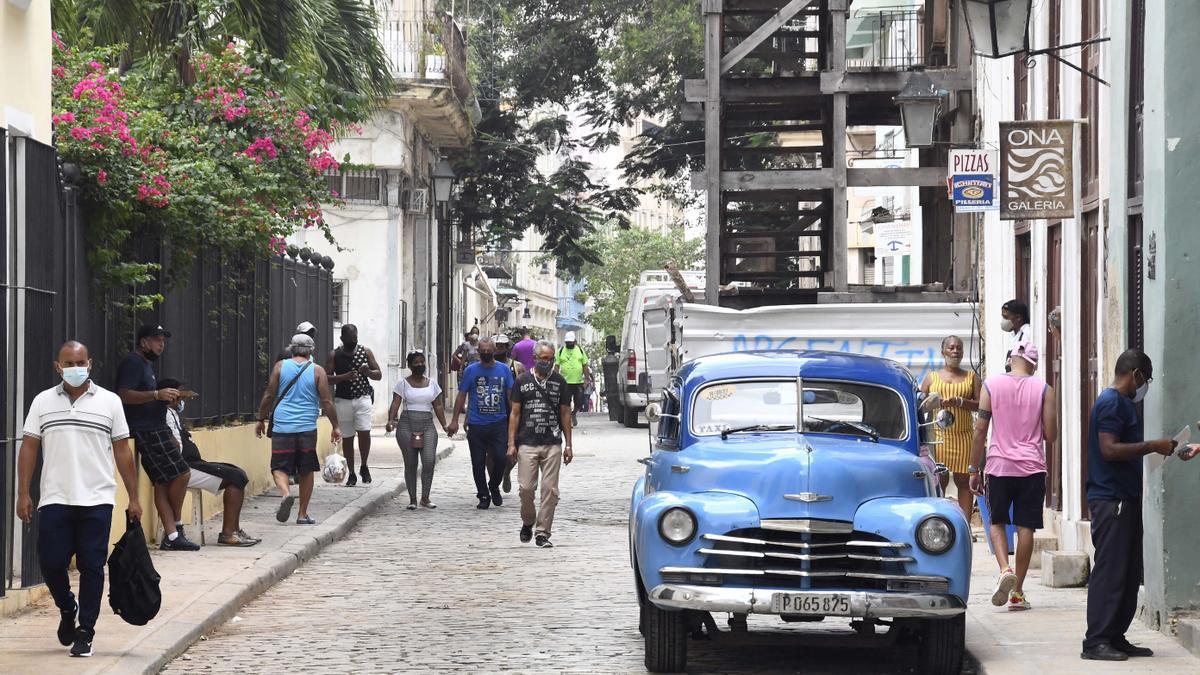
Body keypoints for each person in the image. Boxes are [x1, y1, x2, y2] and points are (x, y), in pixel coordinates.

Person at [16, 341, 142, 658]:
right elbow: (29, 446)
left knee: (92, 566)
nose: (75, 368)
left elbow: (123, 450)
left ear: (91, 363)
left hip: (97, 498)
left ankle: (85, 630)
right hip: (55, 498)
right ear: (58, 367)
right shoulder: (43, 402)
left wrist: (134, 496)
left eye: (81, 362)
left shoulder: (110, 402)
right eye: (69, 363)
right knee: (51, 562)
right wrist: (23, 492)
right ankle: (66, 605)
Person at [1080, 350, 1177, 661]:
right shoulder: (1111, 403)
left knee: (1128, 570)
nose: (1145, 385)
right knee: (1110, 571)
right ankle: (1095, 641)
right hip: (1111, 500)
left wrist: (1171, 448)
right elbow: (1109, 449)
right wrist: (1151, 446)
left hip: (1125, 497)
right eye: (1145, 379)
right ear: (1134, 374)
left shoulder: (1123, 405)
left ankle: (1114, 635)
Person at [968, 341, 1056, 612]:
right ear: (1034, 363)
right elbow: (1051, 435)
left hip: (999, 466)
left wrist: (973, 468)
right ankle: (1017, 593)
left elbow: (981, 430)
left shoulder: (991, 385)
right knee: (1025, 527)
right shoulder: (1044, 389)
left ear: (1011, 360)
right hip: (1032, 466)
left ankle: (1005, 569)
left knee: (996, 520)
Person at [116, 324, 199, 551]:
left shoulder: (147, 365)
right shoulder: (133, 362)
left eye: (163, 340)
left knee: (162, 483)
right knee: (182, 473)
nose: (161, 344)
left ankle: (171, 536)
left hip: (156, 426)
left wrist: (169, 397)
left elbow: (147, 397)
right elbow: (123, 395)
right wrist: (155, 394)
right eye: (156, 339)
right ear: (144, 342)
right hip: (147, 430)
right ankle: (177, 525)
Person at [160, 378, 260, 547]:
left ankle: (234, 529)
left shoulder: (174, 414)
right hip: (184, 468)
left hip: (194, 463)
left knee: (237, 473)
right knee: (235, 477)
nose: (182, 401)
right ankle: (228, 534)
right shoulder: (163, 414)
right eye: (179, 396)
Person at [255, 333, 341, 525]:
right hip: (307, 427)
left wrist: (261, 419)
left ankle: (286, 493)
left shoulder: (280, 367)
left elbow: (269, 395)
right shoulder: (317, 371)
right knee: (306, 469)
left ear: (292, 348)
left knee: (278, 466)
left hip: (283, 425)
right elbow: (327, 401)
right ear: (311, 351)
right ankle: (302, 514)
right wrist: (335, 426)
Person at [508, 341, 574, 548]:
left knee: (550, 490)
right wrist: (511, 443)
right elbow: (515, 413)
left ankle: (542, 532)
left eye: (551, 358)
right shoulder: (522, 381)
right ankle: (528, 521)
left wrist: (569, 444)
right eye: (544, 358)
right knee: (526, 489)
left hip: (552, 442)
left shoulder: (560, 382)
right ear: (535, 358)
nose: (547, 362)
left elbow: (565, 413)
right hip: (527, 442)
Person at [447, 337, 514, 509]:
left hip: (499, 422)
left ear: (494, 351)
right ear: (478, 352)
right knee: (477, 461)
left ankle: (494, 485)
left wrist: (516, 419)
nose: (485, 354)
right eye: (482, 351)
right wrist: (455, 420)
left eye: (488, 351)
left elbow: (510, 396)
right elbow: (461, 395)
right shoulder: (471, 370)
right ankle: (483, 494)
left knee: (500, 458)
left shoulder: (504, 370)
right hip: (477, 424)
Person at [919, 335, 980, 519]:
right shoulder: (932, 377)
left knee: (963, 481)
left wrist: (959, 401)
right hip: (939, 437)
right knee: (940, 480)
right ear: (943, 351)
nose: (955, 351)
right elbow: (920, 404)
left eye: (959, 348)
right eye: (951, 348)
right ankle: (942, 522)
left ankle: (965, 525)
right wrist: (933, 402)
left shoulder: (972, 377)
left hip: (963, 436)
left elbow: (980, 405)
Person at [386, 350, 450, 510]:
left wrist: (444, 425)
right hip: (407, 424)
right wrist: (391, 420)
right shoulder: (402, 384)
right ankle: (412, 499)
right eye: (416, 363)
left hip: (427, 424)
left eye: (422, 362)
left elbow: (438, 405)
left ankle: (425, 498)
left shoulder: (433, 384)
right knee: (411, 463)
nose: (420, 365)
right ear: (409, 365)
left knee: (428, 461)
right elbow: (395, 403)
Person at [326, 324, 382, 486]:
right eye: (349, 339)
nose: (353, 341)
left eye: (355, 338)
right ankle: (351, 472)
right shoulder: (334, 354)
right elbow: (326, 377)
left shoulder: (365, 351)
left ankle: (364, 465)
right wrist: (344, 377)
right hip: (342, 400)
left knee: (364, 432)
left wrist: (368, 372)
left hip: (362, 397)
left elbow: (378, 375)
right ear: (342, 338)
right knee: (348, 437)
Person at [493, 333, 524, 493]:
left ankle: (506, 472)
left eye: (503, 346)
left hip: (512, 412)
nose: (499, 349)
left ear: (507, 347)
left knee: (515, 447)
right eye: (497, 345)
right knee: (493, 451)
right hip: (492, 413)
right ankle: (495, 478)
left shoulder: (517, 367)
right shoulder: (485, 366)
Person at [554, 331, 592, 426]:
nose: (569, 344)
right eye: (567, 342)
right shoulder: (561, 351)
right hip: (565, 382)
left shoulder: (580, 350)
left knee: (579, 402)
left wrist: (586, 379)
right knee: (566, 402)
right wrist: (555, 379)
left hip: (578, 382)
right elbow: (557, 366)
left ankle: (573, 414)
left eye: (571, 342)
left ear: (574, 341)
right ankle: (568, 419)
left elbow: (585, 365)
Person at [1000, 299, 1032, 372]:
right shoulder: (1014, 335)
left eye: (1006, 317)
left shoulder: (1027, 333)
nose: (1003, 321)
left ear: (1018, 318)